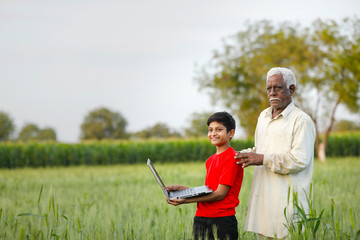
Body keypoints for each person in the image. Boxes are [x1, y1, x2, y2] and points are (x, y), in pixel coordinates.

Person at [235, 67, 316, 239]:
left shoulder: (301, 121)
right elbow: (261, 149)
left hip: (287, 206)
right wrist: (238, 155)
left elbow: (300, 160)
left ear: (291, 89)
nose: (272, 93)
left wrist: (262, 159)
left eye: (277, 88)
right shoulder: (264, 116)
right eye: (269, 88)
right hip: (263, 203)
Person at [166, 111, 244, 240]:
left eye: (219, 129)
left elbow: (220, 194)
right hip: (201, 218)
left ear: (231, 133)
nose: (213, 133)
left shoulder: (232, 158)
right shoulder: (210, 160)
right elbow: (209, 190)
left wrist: (185, 200)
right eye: (210, 130)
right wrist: (183, 190)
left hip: (222, 220)